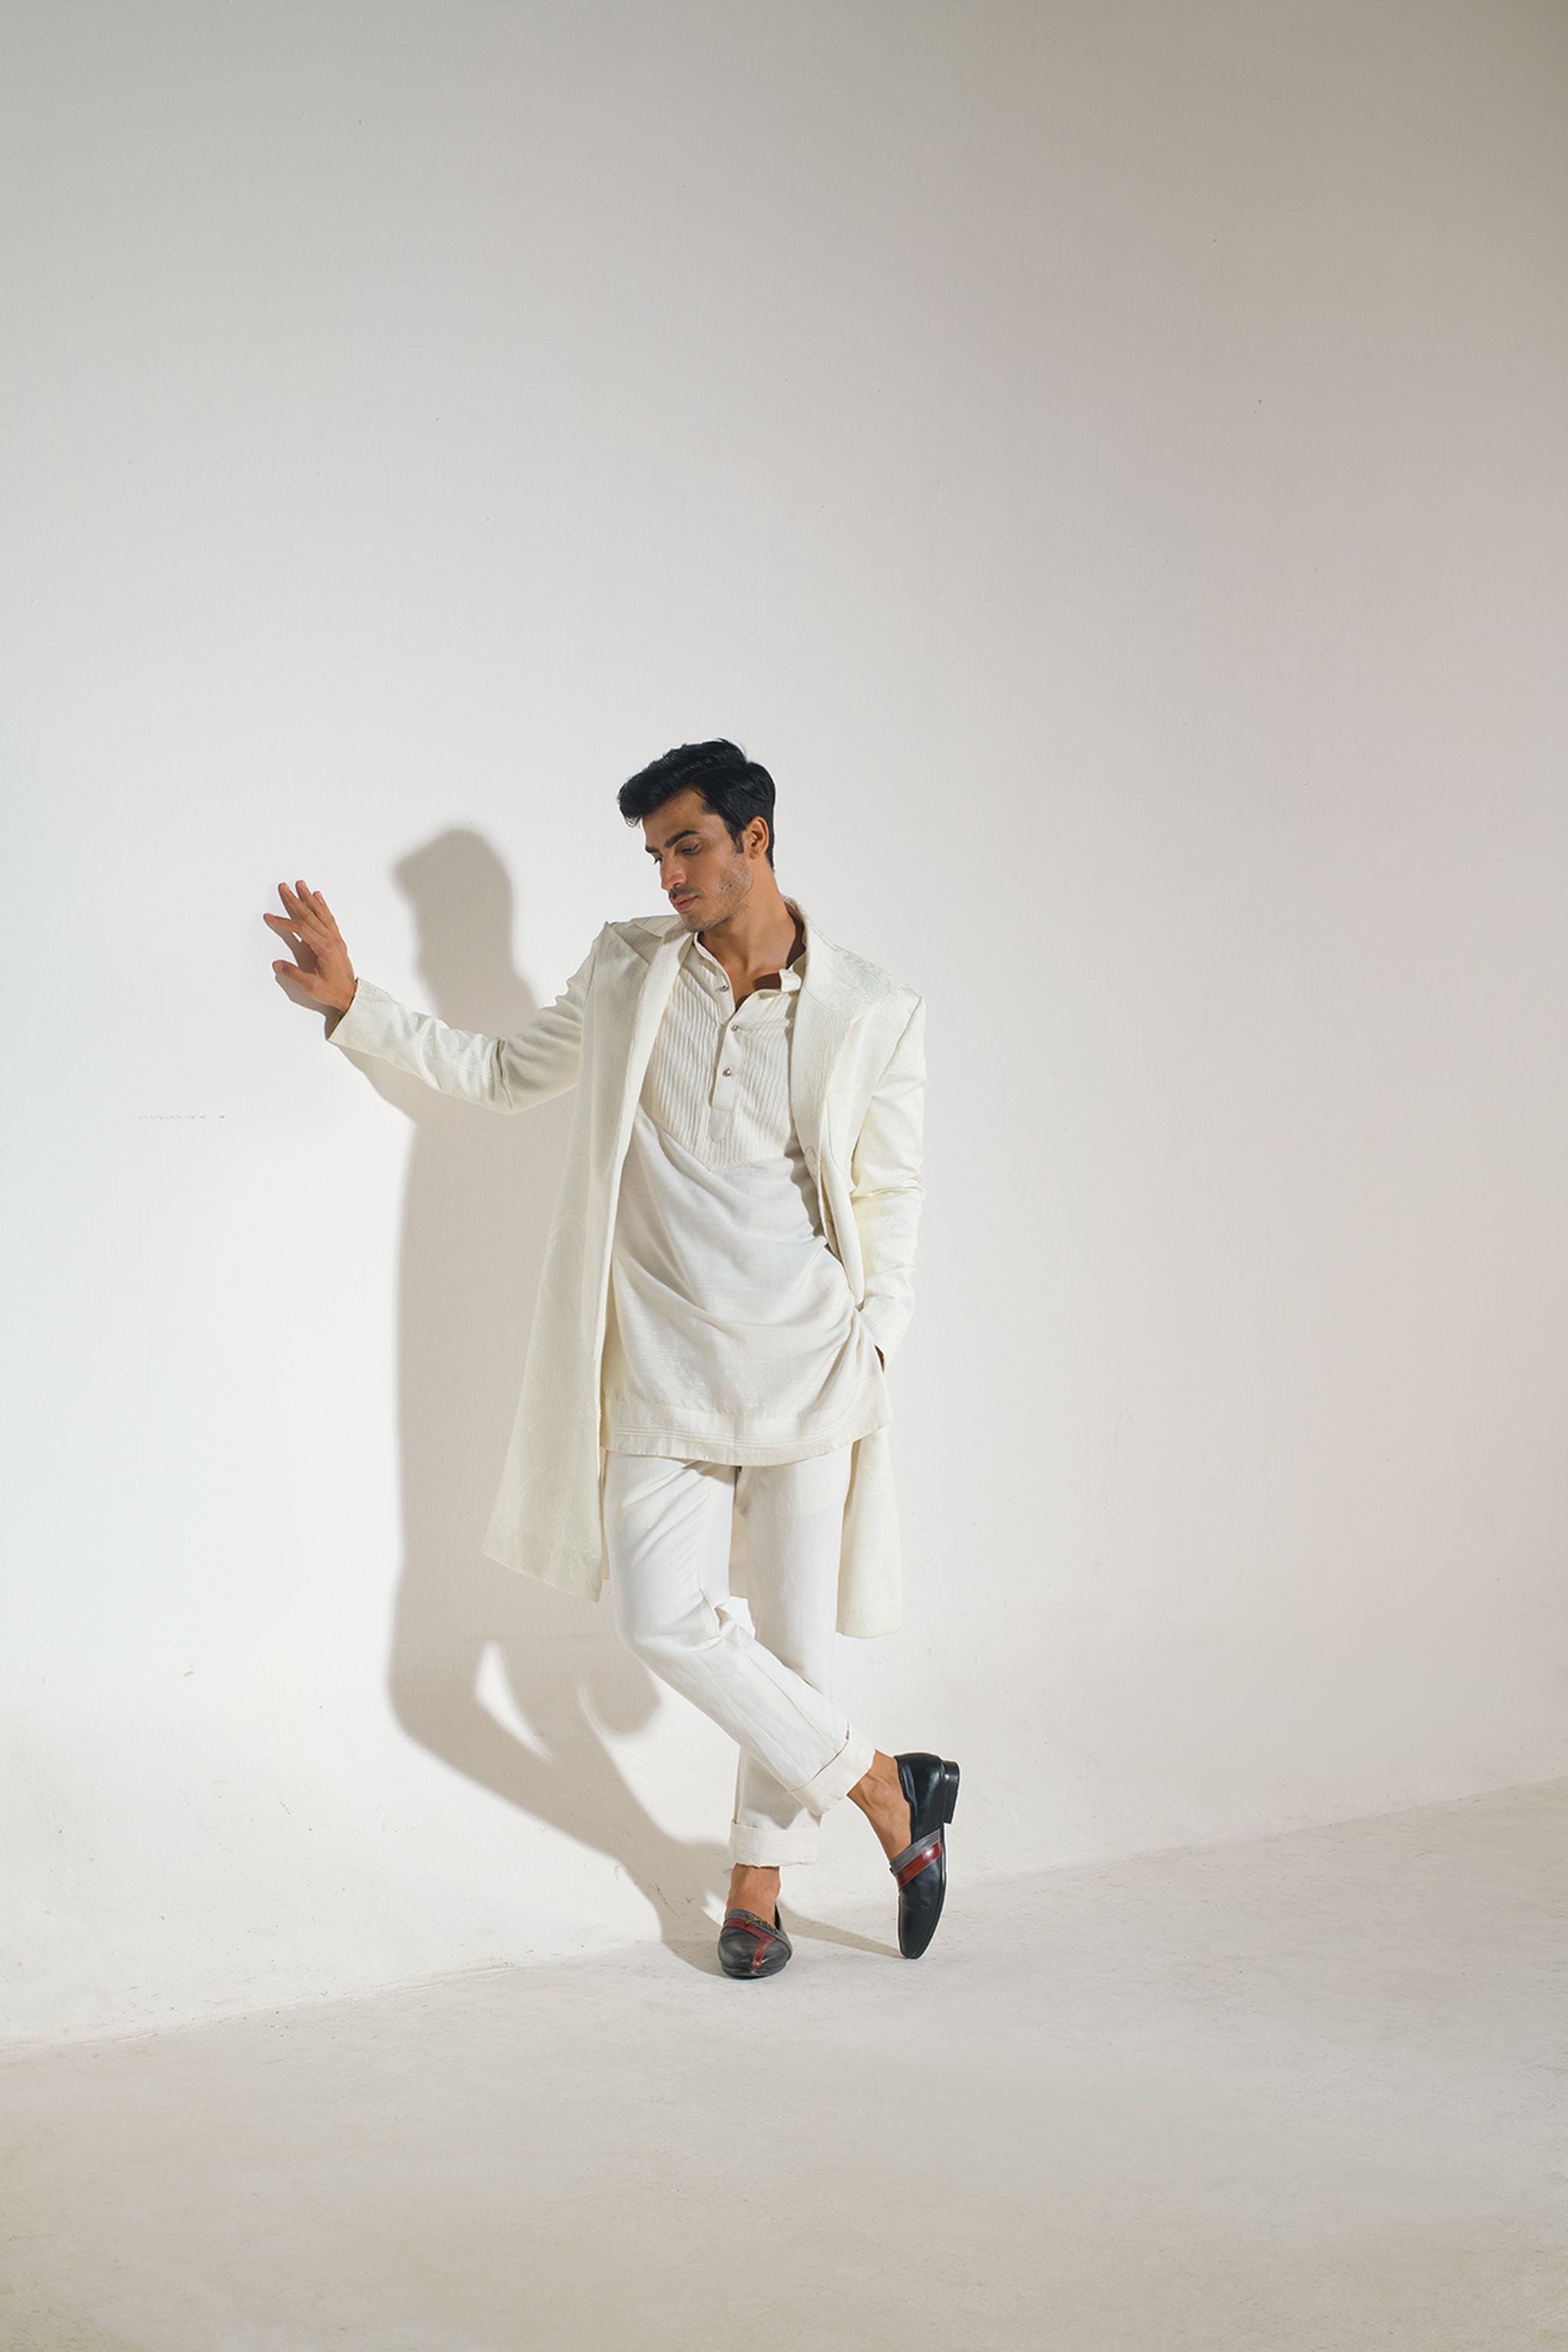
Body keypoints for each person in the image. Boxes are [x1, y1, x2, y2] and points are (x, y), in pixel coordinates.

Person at [266, 739, 957, 1976]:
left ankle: (758, 1884)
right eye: (655, 856)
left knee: (792, 1649)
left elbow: (890, 1190)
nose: (669, 875)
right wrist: (355, 1004)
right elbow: (500, 1074)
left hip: (808, 1363)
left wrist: (879, 1340)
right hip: (664, 1365)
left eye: (688, 846)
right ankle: (886, 1790)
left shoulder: (872, 1008)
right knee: (662, 1615)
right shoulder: (632, 969)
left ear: (755, 839)